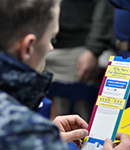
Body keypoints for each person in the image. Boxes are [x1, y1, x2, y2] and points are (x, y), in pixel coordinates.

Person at [0, 0, 89, 149]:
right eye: (51, 38)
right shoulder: (23, 129)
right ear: (28, 47)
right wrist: (40, 137)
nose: (51, 48)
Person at [44, 0, 116, 121]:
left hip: (76, 48)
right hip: (36, 42)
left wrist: (93, 48)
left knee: (76, 116)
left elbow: (103, 5)